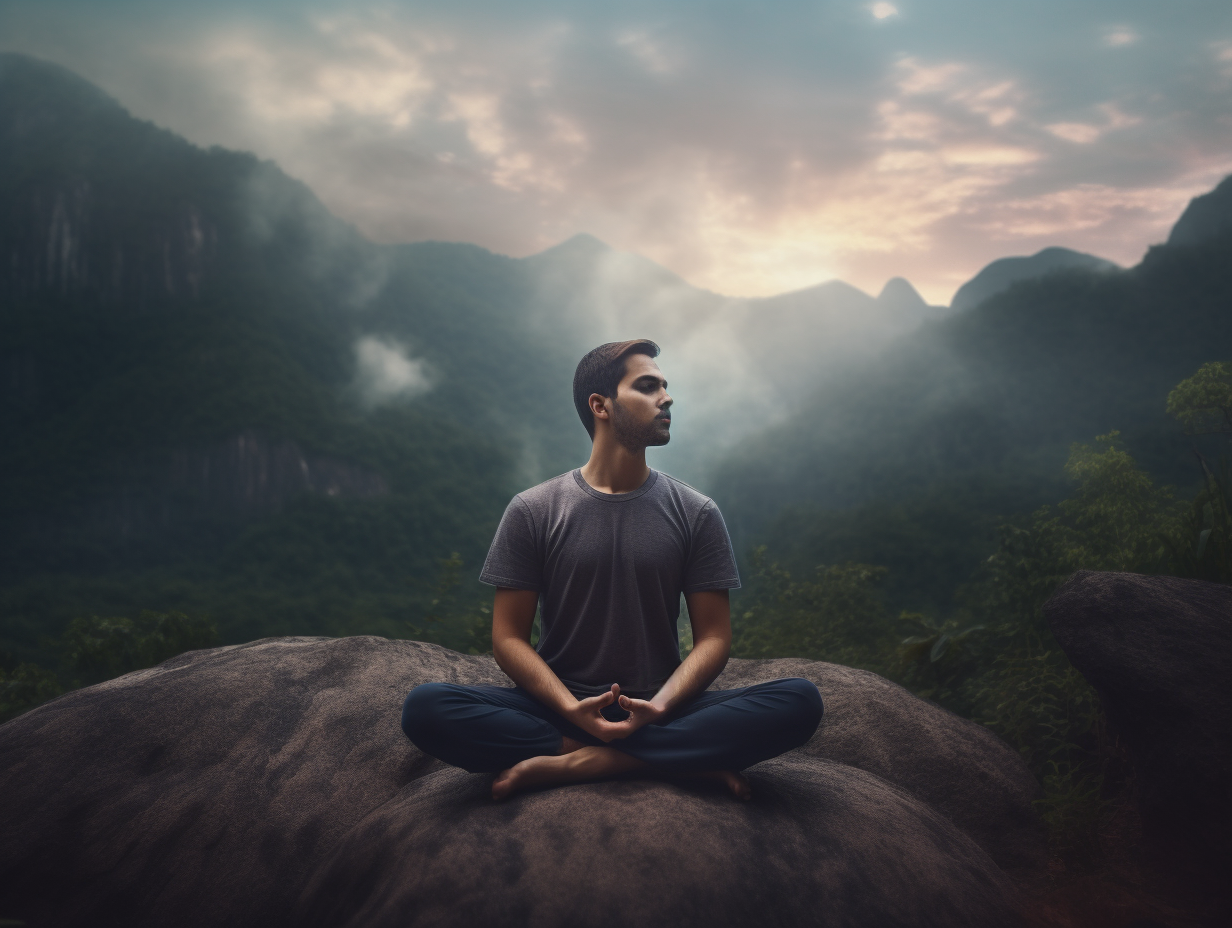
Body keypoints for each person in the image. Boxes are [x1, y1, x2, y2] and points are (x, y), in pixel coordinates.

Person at [401, 339, 823, 800]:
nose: (667, 397)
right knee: (426, 708)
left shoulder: (695, 512)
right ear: (600, 405)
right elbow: (507, 637)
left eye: (665, 385)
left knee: (799, 700)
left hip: (663, 705)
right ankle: (672, 760)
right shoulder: (534, 510)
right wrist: (570, 707)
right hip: (558, 705)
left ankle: (591, 760)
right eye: (647, 386)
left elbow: (715, 638)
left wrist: (659, 706)